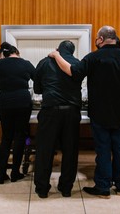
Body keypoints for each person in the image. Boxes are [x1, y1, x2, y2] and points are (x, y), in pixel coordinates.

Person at [49, 25, 120, 199]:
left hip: (101, 111)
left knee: (103, 149)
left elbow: (73, 72)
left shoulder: (93, 57)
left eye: (97, 39)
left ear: (101, 40)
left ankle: (103, 187)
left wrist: (56, 55)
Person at [33, 40, 83, 199]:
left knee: (45, 150)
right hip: (72, 112)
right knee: (70, 150)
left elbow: (37, 88)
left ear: (58, 50)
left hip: (50, 111)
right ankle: (66, 188)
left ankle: (42, 188)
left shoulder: (45, 62)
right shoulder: (77, 63)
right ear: (72, 51)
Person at [0, 45, 35, 184]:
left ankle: (2, 174)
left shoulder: (0, 64)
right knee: (20, 136)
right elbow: (38, 80)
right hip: (23, 101)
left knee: (6, 137)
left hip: (5, 102)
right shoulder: (26, 63)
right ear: (17, 53)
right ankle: (15, 173)